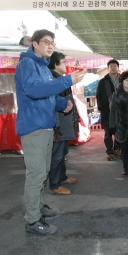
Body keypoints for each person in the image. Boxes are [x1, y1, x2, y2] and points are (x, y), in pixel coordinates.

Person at [15, 29, 85, 236]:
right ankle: (32, 220)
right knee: (36, 175)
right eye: (46, 41)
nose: (50, 45)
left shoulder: (43, 67)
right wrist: (67, 81)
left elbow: (44, 95)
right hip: (34, 128)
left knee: (43, 171)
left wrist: (61, 102)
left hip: (45, 127)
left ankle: (38, 207)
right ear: (33, 43)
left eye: (52, 42)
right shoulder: (27, 64)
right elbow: (34, 90)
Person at [47, 51, 79, 195]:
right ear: (55, 64)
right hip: (58, 126)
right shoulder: (53, 82)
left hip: (64, 125)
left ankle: (62, 177)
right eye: (63, 62)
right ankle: (54, 184)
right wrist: (57, 128)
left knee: (63, 153)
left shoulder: (61, 80)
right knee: (57, 156)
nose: (66, 65)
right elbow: (53, 105)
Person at [96, 59, 121, 161]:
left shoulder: (123, 80)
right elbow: (99, 96)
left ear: (118, 67)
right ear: (108, 68)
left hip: (120, 111)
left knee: (119, 131)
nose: (113, 67)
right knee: (108, 133)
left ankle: (117, 149)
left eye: (115, 65)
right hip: (107, 111)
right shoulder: (103, 81)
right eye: (111, 66)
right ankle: (109, 151)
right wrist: (101, 108)